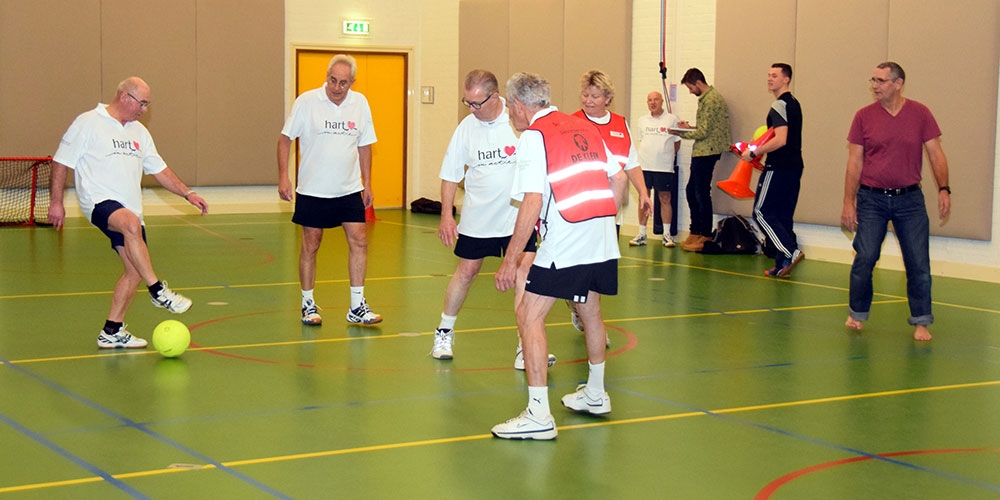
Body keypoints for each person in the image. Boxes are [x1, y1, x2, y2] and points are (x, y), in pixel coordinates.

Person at [491, 72, 628, 440]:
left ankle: (538, 414)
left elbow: (532, 201)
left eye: (509, 108)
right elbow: (620, 179)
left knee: (529, 314)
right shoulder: (582, 125)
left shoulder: (535, 137)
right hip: (601, 236)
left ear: (519, 106)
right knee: (591, 309)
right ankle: (596, 394)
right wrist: (604, 217)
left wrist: (510, 260)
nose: (509, 116)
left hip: (566, 240)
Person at [47, 77, 209, 349]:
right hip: (98, 201)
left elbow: (161, 171)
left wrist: (188, 193)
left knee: (134, 271)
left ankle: (112, 330)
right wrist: (56, 202)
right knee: (131, 224)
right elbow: (61, 161)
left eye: (147, 104)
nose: (144, 110)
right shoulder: (88, 122)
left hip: (130, 208)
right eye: (141, 103)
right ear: (125, 97)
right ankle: (159, 291)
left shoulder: (139, 134)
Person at [431, 70, 554, 369]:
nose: (472, 109)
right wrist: (447, 215)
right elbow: (450, 174)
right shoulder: (466, 128)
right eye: (467, 102)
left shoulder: (518, 123)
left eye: (477, 103)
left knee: (524, 273)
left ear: (496, 96)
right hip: (479, 216)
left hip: (517, 218)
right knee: (467, 271)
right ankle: (444, 331)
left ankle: (525, 345)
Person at [840, 62, 951, 342]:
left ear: (898, 83)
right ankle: (857, 312)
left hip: (910, 200)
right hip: (871, 199)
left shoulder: (920, 113)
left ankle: (921, 321)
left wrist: (944, 188)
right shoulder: (863, 117)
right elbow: (855, 161)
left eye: (880, 81)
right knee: (865, 257)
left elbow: (936, 153)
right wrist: (848, 202)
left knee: (917, 262)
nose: (874, 85)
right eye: (873, 80)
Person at [278, 54, 381, 326]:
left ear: (352, 82)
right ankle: (308, 304)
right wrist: (284, 177)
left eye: (343, 82)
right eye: (333, 80)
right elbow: (285, 139)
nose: (337, 87)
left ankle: (357, 306)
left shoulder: (360, 104)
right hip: (313, 189)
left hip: (348, 189)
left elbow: (365, 144)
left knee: (359, 240)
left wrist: (367, 182)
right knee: (311, 244)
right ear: (327, 77)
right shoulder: (307, 102)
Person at [570, 70, 651, 335]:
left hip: (610, 215)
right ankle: (583, 313)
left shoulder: (620, 124)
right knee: (576, 272)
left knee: (596, 274)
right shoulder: (571, 123)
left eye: (595, 96)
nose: (588, 100)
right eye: (585, 94)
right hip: (578, 214)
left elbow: (632, 163)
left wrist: (644, 193)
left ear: (608, 98)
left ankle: (588, 318)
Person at [740, 63, 805, 277]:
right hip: (794, 166)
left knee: (761, 212)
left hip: (779, 166)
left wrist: (754, 152)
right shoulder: (794, 103)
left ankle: (790, 251)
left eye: (775, 75)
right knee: (783, 215)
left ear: (786, 79)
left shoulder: (780, 105)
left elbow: (781, 139)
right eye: (768, 75)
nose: (770, 79)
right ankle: (782, 264)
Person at [672, 68, 731, 252]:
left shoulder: (711, 100)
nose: (690, 91)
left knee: (701, 193)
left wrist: (681, 132)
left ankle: (704, 234)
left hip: (707, 151)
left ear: (698, 83)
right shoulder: (707, 99)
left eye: (690, 87)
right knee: (692, 190)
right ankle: (695, 230)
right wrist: (689, 128)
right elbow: (706, 127)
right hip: (703, 150)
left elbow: (704, 132)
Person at [631, 90, 681, 248]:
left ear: (661, 102)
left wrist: (666, 157)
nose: (652, 103)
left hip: (664, 167)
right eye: (649, 100)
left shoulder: (672, 120)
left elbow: (677, 143)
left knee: (665, 199)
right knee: (643, 199)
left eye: (656, 100)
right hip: (644, 166)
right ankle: (642, 234)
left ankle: (666, 235)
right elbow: (642, 141)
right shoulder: (642, 121)